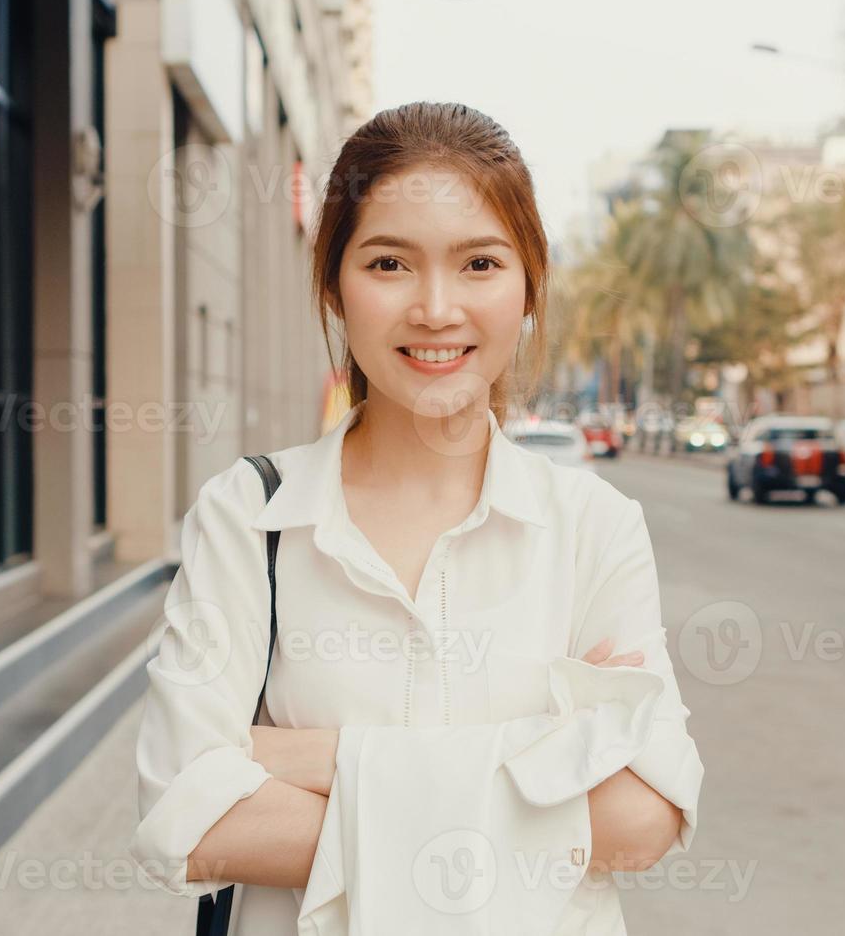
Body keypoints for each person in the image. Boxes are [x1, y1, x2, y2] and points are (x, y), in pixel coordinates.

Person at [131, 101, 705, 934]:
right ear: (334, 283)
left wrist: (305, 757)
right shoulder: (248, 517)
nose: (437, 309)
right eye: (390, 264)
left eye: (479, 264)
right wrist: (540, 767)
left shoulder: (593, 524)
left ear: (529, 284)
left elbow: (644, 817)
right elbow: (194, 821)